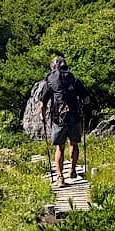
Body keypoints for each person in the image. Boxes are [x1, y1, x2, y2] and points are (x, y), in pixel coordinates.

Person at [38, 55, 89, 187]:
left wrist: (42, 116)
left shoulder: (50, 80)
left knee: (59, 148)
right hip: (74, 116)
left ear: (53, 66)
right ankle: (72, 170)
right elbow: (86, 98)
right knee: (74, 144)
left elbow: (42, 103)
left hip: (58, 117)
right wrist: (84, 109)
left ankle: (60, 177)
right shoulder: (73, 78)